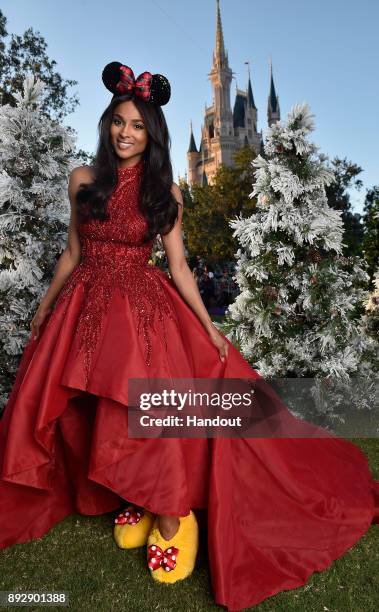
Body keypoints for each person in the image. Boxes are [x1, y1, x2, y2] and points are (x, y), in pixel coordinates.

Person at [0, 60, 378, 612]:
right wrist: (44, 307)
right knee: (93, 407)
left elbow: (177, 267)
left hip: (141, 312)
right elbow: (73, 253)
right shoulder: (82, 180)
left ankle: (170, 512)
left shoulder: (166, 191)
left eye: (136, 125)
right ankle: (131, 494)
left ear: (152, 135)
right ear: (107, 123)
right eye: (118, 122)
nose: (125, 133)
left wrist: (207, 327)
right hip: (84, 305)